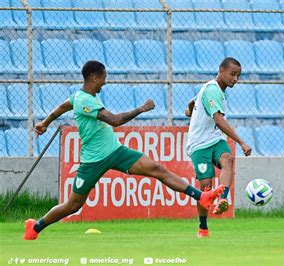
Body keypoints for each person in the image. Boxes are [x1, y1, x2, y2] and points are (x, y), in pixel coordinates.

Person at [23, 60, 224, 240]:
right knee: (73, 205)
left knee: (157, 169)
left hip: (115, 151)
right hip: (93, 160)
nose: (105, 82)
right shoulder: (85, 100)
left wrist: (45, 122)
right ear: (94, 78)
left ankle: (202, 196)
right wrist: (141, 109)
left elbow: (61, 107)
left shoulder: (79, 96)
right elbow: (115, 120)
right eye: (103, 78)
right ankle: (35, 227)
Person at [184, 57, 252, 238]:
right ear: (221, 70)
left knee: (228, 159)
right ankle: (203, 227)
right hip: (199, 144)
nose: (235, 79)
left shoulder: (214, 90)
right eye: (232, 74)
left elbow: (194, 102)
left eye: (238, 76)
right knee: (206, 186)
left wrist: (190, 109)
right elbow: (219, 119)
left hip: (215, 139)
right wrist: (241, 142)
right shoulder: (213, 90)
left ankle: (223, 199)